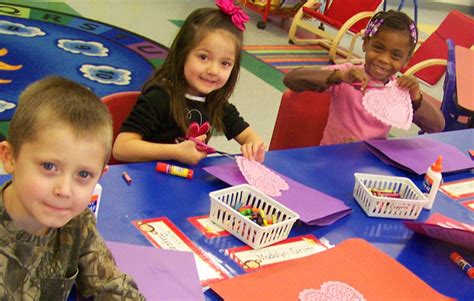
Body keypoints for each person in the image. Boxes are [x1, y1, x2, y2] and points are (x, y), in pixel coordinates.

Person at [0, 76, 145, 300]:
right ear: (10, 157)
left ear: (100, 175)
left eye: (83, 175)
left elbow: (112, 287)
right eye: (49, 167)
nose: (64, 190)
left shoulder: (78, 223)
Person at [113, 0, 265, 165]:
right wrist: (175, 152)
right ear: (182, 53)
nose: (213, 70)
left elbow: (249, 136)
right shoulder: (160, 96)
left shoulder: (216, 102)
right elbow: (121, 148)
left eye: (225, 63)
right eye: (203, 57)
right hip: (147, 181)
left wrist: (253, 146)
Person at [283, 10, 445, 146]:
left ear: (406, 60)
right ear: (366, 43)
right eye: (378, 48)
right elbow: (291, 79)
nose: (384, 59)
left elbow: (437, 126)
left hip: (371, 165)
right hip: (332, 159)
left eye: (395, 56)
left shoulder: (400, 90)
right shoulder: (348, 74)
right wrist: (339, 76)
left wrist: (416, 98)